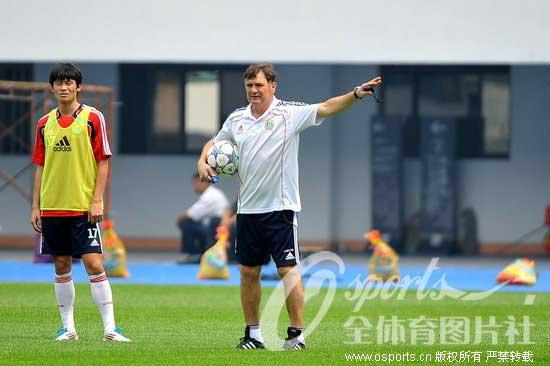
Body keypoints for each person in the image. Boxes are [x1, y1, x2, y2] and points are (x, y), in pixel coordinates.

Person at [196, 63, 382, 350]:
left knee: (288, 270)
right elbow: (215, 142)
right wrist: (201, 161)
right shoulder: (236, 119)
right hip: (247, 211)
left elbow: (327, 107)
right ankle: (253, 335)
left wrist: (356, 94)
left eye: (259, 85)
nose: (254, 91)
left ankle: (296, 336)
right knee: (248, 272)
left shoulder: (288, 114)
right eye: (249, 86)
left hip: (280, 209)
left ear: (273, 85)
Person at [30, 63, 130, 342]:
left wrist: (96, 200)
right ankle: (68, 329)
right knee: (61, 265)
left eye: (69, 83)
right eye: (59, 83)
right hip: (52, 206)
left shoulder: (92, 118)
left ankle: (110, 329)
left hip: (83, 207)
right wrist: (36, 206)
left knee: (95, 264)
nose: (64, 87)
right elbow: (40, 166)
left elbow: (103, 162)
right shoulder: (43, 124)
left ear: (78, 87)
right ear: (52, 88)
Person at [176, 173, 229, 263]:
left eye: (196, 183)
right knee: (197, 224)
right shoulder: (213, 192)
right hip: (215, 228)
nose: (194, 186)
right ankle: (201, 254)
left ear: (204, 183)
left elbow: (190, 215)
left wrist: (178, 220)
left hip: (217, 229)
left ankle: (193, 255)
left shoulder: (209, 196)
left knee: (185, 222)